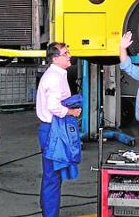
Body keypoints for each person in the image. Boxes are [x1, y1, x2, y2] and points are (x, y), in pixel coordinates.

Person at [36, 42, 82, 217]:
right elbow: (54, 106)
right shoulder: (54, 77)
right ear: (55, 58)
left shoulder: (58, 74)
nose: (69, 55)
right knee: (53, 177)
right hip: (52, 130)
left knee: (52, 176)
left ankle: (47, 210)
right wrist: (71, 111)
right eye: (65, 53)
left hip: (52, 128)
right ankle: (49, 214)